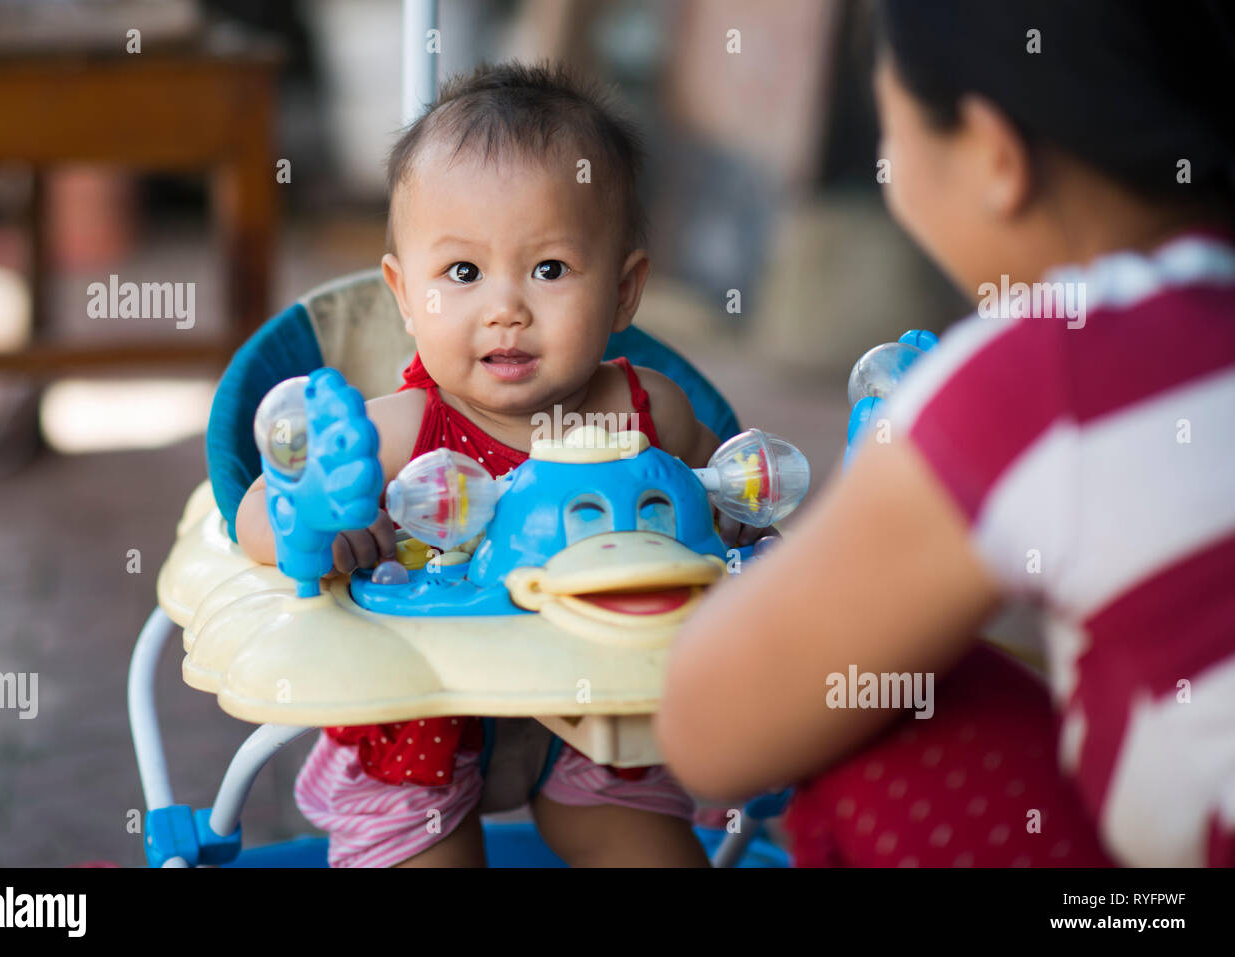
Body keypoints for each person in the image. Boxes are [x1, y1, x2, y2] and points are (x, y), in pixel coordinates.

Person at [658, 0, 1235, 867]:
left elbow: (710, 728)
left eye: (893, 144)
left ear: (995, 157)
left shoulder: (1055, 361)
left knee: (874, 710)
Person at [236, 61, 763, 867]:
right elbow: (251, 519)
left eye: (549, 268)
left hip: (603, 726)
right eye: (463, 273)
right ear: (404, 295)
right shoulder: (402, 431)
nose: (506, 306)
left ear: (624, 292)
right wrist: (313, 518)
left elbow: (722, 510)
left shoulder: (653, 412)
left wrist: (731, 519)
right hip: (419, 728)